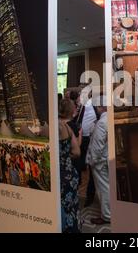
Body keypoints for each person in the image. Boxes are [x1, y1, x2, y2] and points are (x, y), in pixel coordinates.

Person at [86, 96, 110, 225]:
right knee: (107, 186)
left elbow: (97, 145)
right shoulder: (108, 119)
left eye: (97, 107)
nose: (96, 109)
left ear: (101, 107)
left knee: (103, 188)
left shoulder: (102, 122)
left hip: (100, 161)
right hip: (107, 158)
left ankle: (106, 215)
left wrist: (92, 161)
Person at [59, 100, 81, 233]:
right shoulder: (68, 127)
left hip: (59, 176)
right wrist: (66, 157)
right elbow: (77, 152)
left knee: (60, 209)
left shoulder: (50, 127)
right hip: (70, 173)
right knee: (72, 207)